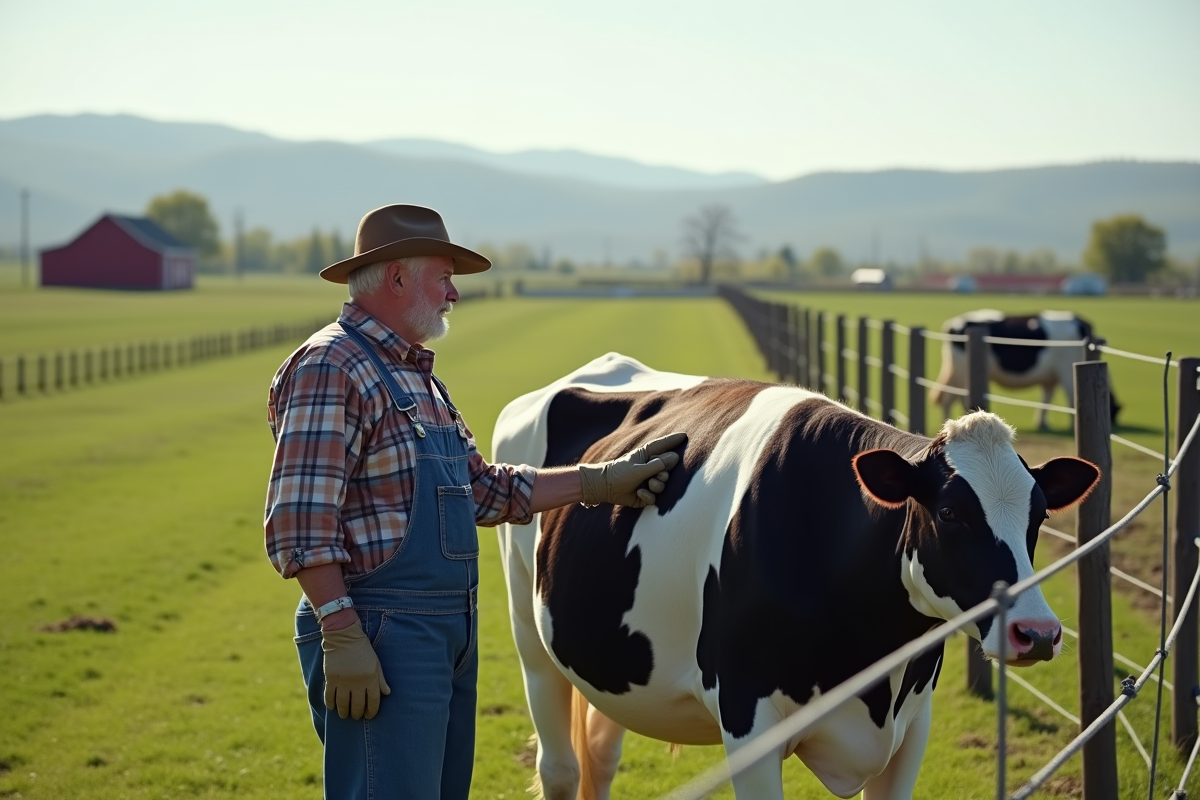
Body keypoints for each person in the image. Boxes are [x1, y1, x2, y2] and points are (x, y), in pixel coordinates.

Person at [263, 204, 685, 799]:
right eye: (444, 276)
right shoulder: (332, 366)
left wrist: (600, 482)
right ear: (398, 277)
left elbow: (483, 490)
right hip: (382, 633)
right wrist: (341, 630)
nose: (454, 293)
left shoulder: (414, 375)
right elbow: (299, 521)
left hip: (444, 632)